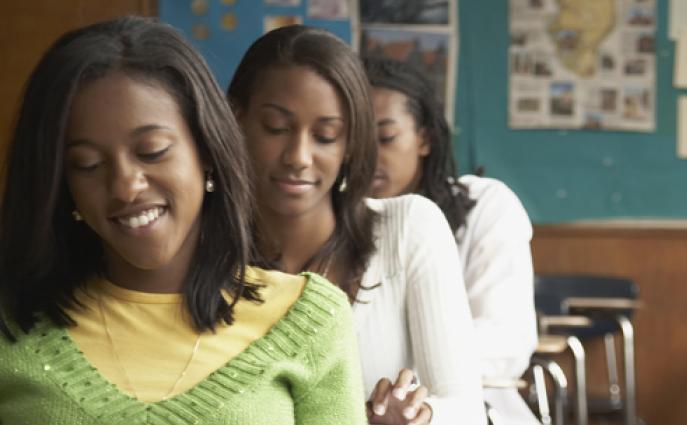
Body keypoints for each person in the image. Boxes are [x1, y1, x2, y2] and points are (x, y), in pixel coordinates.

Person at [0, 17, 365, 423]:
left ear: (207, 150)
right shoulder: (12, 327)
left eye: (152, 151)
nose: (126, 186)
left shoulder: (308, 321)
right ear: (61, 183)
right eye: (87, 165)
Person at [227, 25, 485, 425]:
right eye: (276, 128)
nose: (298, 156)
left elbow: (465, 407)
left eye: (326, 136)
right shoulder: (206, 247)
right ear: (236, 120)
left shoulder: (408, 229)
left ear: (350, 144)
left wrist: (418, 416)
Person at [362, 55, 539, 424]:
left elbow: (506, 343)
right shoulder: (333, 224)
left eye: (386, 138)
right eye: (353, 139)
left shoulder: (486, 207)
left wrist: (400, 380)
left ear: (424, 138)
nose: (369, 156)